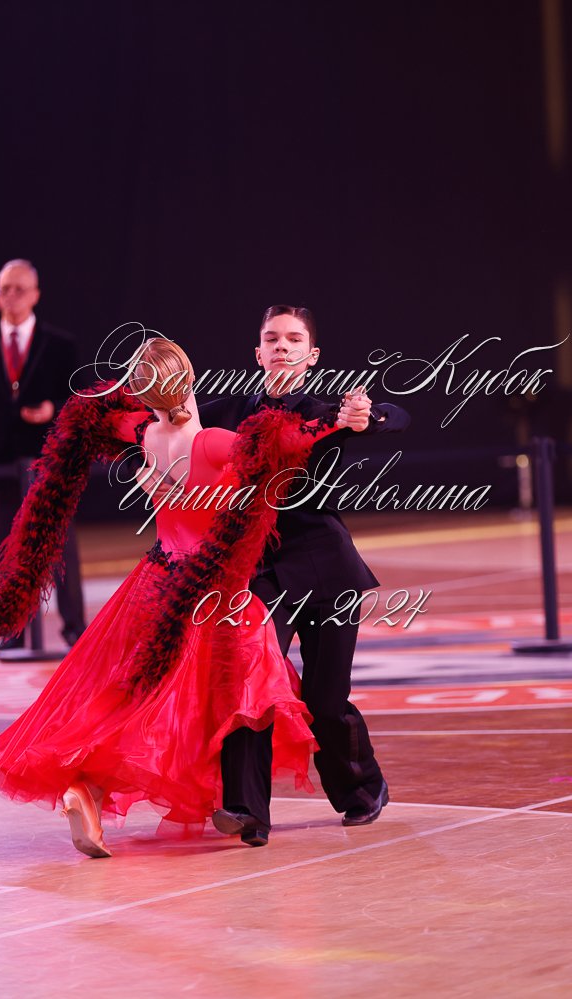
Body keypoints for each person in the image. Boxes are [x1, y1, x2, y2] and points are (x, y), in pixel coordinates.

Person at [0, 337, 351, 857]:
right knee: (228, 693)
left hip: (153, 582)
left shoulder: (145, 435)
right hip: (209, 590)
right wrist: (339, 419)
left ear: (143, 394)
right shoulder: (211, 442)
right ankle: (238, 805)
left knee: (131, 696)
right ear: (190, 379)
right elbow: (280, 444)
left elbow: (97, 415)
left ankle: (90, 790)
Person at [192, 305, 411, 835]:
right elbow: (175, 421)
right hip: (261, 571)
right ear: (258, 352)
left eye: (294, 339)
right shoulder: (229, 412)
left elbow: (396, 415)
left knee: (325, 699)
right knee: (249, 684)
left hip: (328, 568)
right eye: (272, 338)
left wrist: (369, 416)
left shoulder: (327, 410)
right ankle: (246, 810)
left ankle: (363, 788)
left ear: (312, 355)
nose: (282, 347)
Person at [0, 258, 86, 650]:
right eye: (4, 289)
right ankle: (13, 630)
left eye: (19, 289)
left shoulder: (60, 345)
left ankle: (75, 627)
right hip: (0, 462)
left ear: (35, 294)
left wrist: (52, 408)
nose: (11, 297)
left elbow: (78, 398)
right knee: (8, 545)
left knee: (59, 543)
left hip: (49, 458)